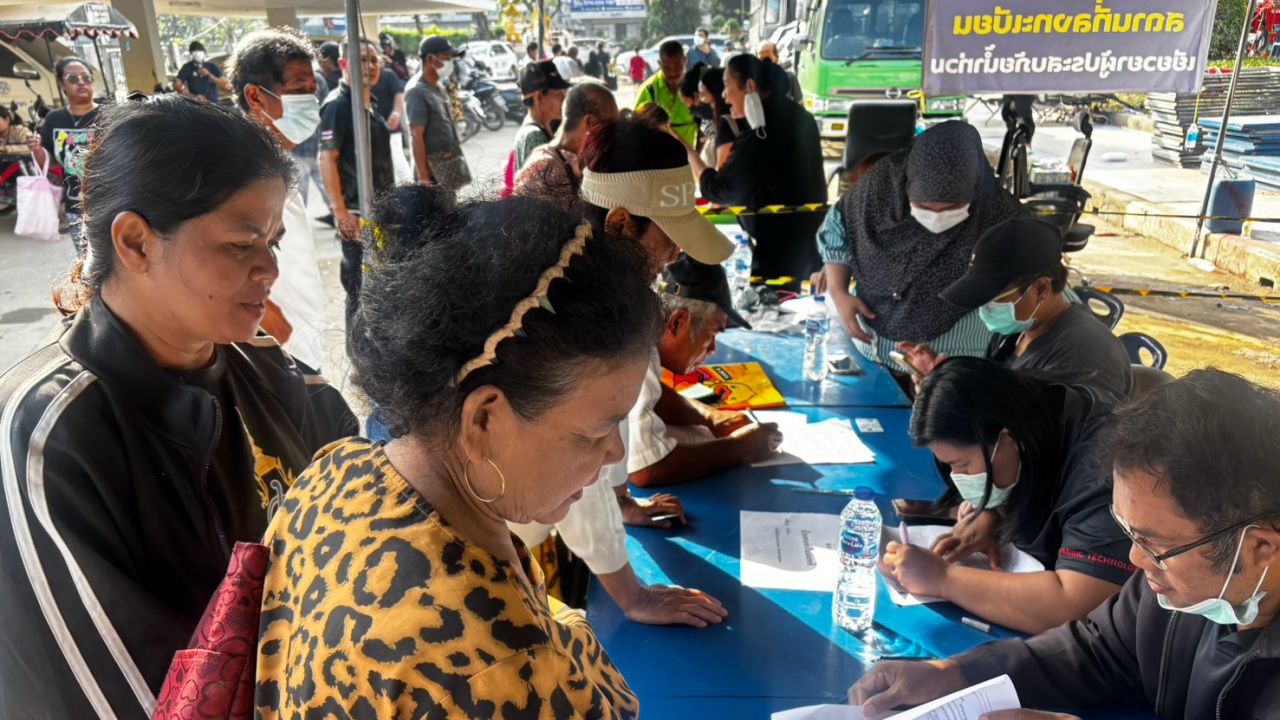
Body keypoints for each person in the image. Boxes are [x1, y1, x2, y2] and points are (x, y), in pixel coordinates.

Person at [0, 94, 356, 720]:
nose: (270, 268)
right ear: (136, 243)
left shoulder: (275, 378)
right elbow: (143, 698)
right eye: (242, 244)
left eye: (272, 240)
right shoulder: (46, 438)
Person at [254, 188, 656, 718]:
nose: (614, 453)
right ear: (483, 420)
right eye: (594, 432)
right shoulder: (496, 672)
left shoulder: (335, 471)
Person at [851, 369, 1280, 720]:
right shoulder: (1184, 583)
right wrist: (956, 675)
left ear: (1259, 547)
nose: (1133, 558)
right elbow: (1098, 649)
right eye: (1128, 532)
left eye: (1152, 543)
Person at [880, 357, 1134, 634]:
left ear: (1008, 439)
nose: (957, 477)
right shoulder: (1027, 408)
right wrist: (992, 512)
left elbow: (1076, 605)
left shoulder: (1104, 466)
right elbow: (1030, 468)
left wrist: (943, 578)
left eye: (962, 466)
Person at [818, 120, 1027, 376]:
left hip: (953, 361)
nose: (937, 217)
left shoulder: (1002, 216)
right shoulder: (879, 187)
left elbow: (1042, 291)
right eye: (924, 206)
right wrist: (840, 293)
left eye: (952, 208)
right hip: (872, 351)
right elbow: (837, 227)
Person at [898, 218, 1135, 400]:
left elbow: (1036, 440)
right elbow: (997, 392)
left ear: (1041, 289)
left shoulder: (1083, 357)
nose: (985, 309)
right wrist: (941, 378)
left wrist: (949, 402)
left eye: (996, 298)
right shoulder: (1015, 333)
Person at [626, 256, 783, 488]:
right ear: (678, 322)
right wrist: (741, 448)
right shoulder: (637, 353)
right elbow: (646, 468)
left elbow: (654, 396)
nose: (712, 350)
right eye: (711, 334)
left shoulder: (642, 325)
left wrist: (711, 418)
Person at [230, 28, 330, 371]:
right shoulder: (239, 166)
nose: (312, 103)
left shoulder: (276, 160)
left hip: (297, 336)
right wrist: (264, 316)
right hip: (273, 343)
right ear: (256, 96)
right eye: (298, 92)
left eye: (313, 92)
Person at [689, 55, 825, 280]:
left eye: (727, 86)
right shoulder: (801, 117)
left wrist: (690, 154)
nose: (725, 95)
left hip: (781, 252)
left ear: (750, 86)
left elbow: (723, 190)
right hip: (812, 243)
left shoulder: (761, 133)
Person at [318, 36, 394, 322]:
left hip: (378, 212)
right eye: (361, 59)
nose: (369, 66)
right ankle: (359, 356)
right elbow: (326, 158)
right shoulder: (338, 105)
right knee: (359, 291)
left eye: (374, 60)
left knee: (378, 286)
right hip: (356, 215)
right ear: (343, 64)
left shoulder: (370, 103)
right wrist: (340, 212)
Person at [28, 57, 100, 254]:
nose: (81, 82)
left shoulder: (109, 115)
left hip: (110, 206)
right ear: (62, 85)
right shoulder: (54, 120)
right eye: (73, 78)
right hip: (75, 207)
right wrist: (37, 150)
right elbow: (49, 162)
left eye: (86, 77)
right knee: (87, 263)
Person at [514, 79, 617, 201]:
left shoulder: (568, 160)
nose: (612, 139)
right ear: (590, 123)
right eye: (610, 130)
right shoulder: (545, 171)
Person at [407, 35, 471, 193]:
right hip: (431, 175)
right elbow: (416, 136)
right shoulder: (417, 91)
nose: (451, 62)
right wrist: (423, 178)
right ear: (430, 59)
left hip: (446, 169)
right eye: (447, 58)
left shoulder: (438, 87)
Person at [635, 40, 697, 147]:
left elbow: (703, 126)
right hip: (658, 158)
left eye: (678, 67)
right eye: (667, 68)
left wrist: (696, 155)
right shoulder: (648, 89)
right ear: (660, 63)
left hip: (689, 158)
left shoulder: (696, 87)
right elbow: (637, 127)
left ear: (685, 61)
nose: (672, 73)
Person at [513, 60, 570, 172]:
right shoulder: (535, 136)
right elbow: (539, 187)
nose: (564, 99)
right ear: (539, 97)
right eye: (558, 94)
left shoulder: (538, 129)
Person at [368, 50, 408, 183]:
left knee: (398, 160)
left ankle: (409, 188)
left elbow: (399, 95)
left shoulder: (388, 74)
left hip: (391, 127)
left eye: (375, 60)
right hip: (374, 129)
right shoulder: (362, 79)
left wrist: (396, 113)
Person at [696, 67, 741, 169]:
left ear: (715, 90)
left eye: (702, 93)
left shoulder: (725, 122)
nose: (700, 99)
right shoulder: (727, 116)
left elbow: (720, 169)